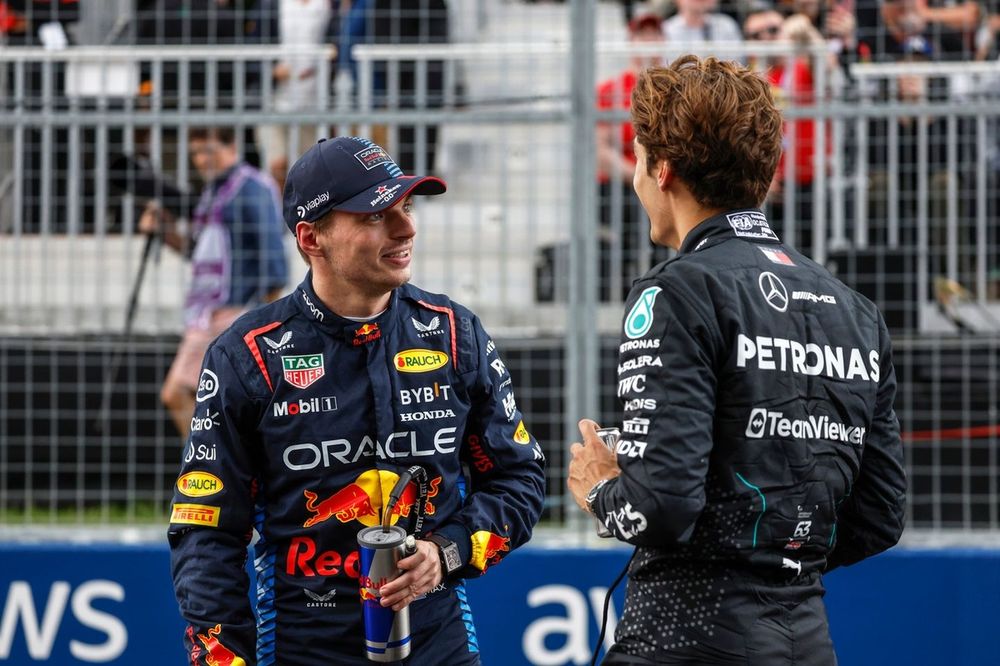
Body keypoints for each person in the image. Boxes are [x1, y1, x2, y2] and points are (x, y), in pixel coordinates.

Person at [567, 56, 906, 664]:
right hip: (806, 635)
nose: (638, 179)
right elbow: (880, 515)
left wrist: (601, 490)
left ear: (661, 168)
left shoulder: (676, 290)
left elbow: (661, 510)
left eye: (640, 161)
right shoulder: (856, 310)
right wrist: (777, 549)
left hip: (687, 635)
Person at [167, 135, 546, 665]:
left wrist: (445, 552)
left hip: (437, 641)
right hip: (303, 645)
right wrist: (223, 658)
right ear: (311, 238)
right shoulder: (247, 355)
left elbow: (520, 479)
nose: (406, 228)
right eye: (375, 216)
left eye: (406, 207)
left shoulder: (454, 334)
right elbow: (206, 530)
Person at [139, 126, 289, 440]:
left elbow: (274, 265)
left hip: (233, 313)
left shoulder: (252, 187)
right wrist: (165, 232)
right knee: (210, 403)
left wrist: (258, 320)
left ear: (231, 145)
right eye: (194, 153)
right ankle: (216, 473)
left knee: (177, 392)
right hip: (206, 313)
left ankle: (206, 475)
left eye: (208, 150)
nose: (200, 160)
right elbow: (199, 253)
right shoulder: (213, 192)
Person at [596, 11, 669, 297]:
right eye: (643, 36)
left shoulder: (671, 88)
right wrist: (641, 175)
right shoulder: (611, 90)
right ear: (631, 41)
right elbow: (602, 151)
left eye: (655, 36)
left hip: (660, 180)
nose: (649, 42)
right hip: (623, 185)